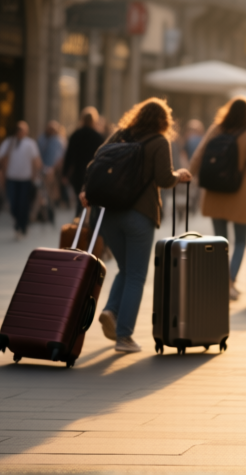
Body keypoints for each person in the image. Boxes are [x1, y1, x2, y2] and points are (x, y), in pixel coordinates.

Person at [81, 98, 192, 353]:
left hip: (108, 215)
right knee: (136, 275)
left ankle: (111, 310)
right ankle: (124, 336)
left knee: (125, 267)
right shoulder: (159, 142)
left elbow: (95, 163)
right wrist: (180, 176)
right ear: (164, 121)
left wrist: (86, 189)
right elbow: (164, 179)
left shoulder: (120, 134)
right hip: (139, 216)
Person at [190, 97, 246, 301]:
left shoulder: (216, 129)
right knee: (239, 242)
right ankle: (229, 282)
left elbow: (199, 154)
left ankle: (221, 282)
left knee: (220, 242)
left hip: (214, 193)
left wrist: (189, 173)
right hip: (239, 195)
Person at [0, 121, 41, 240]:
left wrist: (36, 175)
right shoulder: (9, 142)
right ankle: (18, 222)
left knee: (23, 203)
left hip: (25, 179)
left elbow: (36, 161)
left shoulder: (30, 143)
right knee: (13, 203)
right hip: (12, 177)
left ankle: (22, 225)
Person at [63, 107, 104, 215]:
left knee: (79, 198)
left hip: (78, 173)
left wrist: (65, 174)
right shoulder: (98, 136)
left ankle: (79, 218)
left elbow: (69, 156)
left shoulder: (75, 135)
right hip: (92, 173)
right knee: (89, 199)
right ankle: (86, 221)